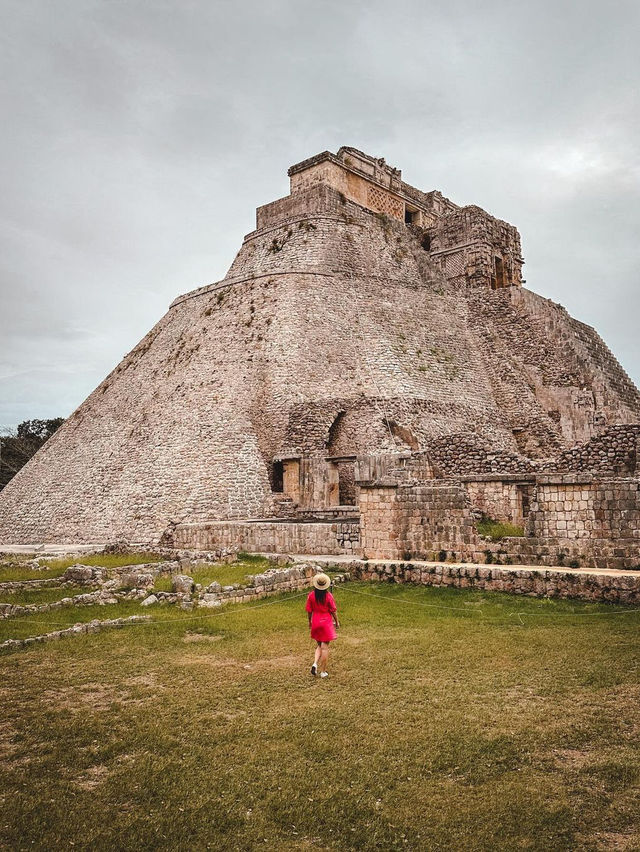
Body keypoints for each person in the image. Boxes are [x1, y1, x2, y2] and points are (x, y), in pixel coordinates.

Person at [306, 573, 340, 678]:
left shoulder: (311, 595)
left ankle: (315, 663)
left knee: (319, 645)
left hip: (316, 621)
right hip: (326, 622)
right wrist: (337, 622)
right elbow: (333, 610)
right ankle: (323, 671)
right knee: (325, 648)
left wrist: (310, 621)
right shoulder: (328, 596)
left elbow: (309, 610)